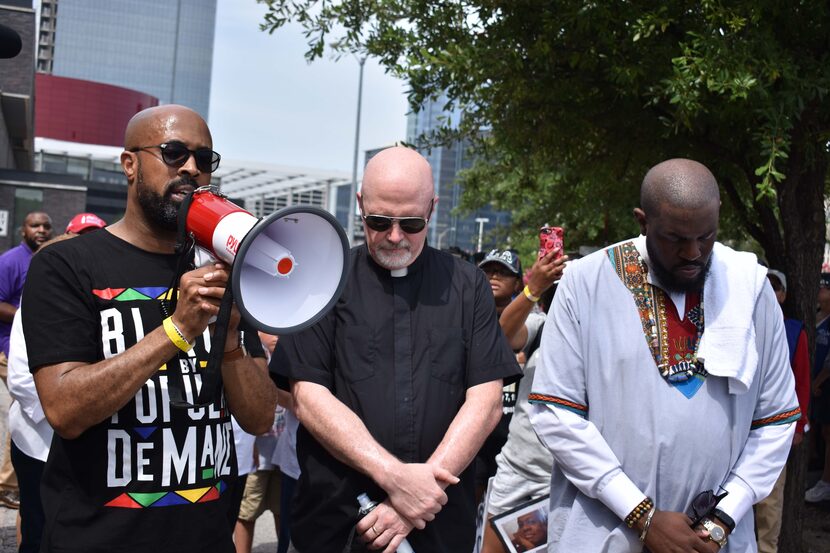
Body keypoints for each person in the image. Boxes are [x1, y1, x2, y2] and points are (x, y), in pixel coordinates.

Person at [21, 104, 277, 553]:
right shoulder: (66, 265)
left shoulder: (224, 271)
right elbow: (64, 410)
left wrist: (230, 340)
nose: (192, 168)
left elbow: (257, 419)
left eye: (205, 158)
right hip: (95, 540)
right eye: (174, 153)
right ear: (130, 164)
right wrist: (177, 329)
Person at [529, 158, 800, 552]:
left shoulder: (752, 288)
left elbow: (776, 418)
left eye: (705, 237)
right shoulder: (584, 285)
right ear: (643, 221)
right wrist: (642, 515)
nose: (693, 252)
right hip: (603, 535)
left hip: (715, 540)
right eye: (675, 239)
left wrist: (723, 518)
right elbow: (558, 414)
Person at [272, 146, 520, 553]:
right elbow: (308, 396)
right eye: (379, 220)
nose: (394, 235)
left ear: (433, 209)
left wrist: (416, 498)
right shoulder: (322, 282)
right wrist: (394, 477)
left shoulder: (467, 284)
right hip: (338, 521)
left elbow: (487, 401)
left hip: (437, 522)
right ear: (360, 205)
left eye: (411, 222)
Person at [481, 248, 565, 553]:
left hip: (563, 480)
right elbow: (502, 333)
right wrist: (534, 289)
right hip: (516, 469)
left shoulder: (602, 342)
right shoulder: (540, 328)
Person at [754, 269, 810, 552]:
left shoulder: (794, 331)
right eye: (765, 286)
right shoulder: (741, 325)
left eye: (776, 288)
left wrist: (798, 426)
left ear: (784, 295)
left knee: (770, 505)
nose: (770, 292)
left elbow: (801, 380)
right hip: (738, 432)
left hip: (775, 433)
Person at [0, 211, 52, 510]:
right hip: (10, 349)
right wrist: (29, 312)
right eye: (35, 225)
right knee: (24, 412)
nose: (42, 230)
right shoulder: (10, 261)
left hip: (35, 343)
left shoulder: (48, 256)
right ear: (23, 230)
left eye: (46, 226)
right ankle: (9, 484)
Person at [806, 272, 830, 502]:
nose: (821, 289)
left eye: (826, 286)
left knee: (827, 431)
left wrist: (818, 381)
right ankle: (813, 466)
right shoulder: (815, 315)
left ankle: (825, 481)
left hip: (823, 386)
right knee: (814, 426)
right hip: (812, 385)